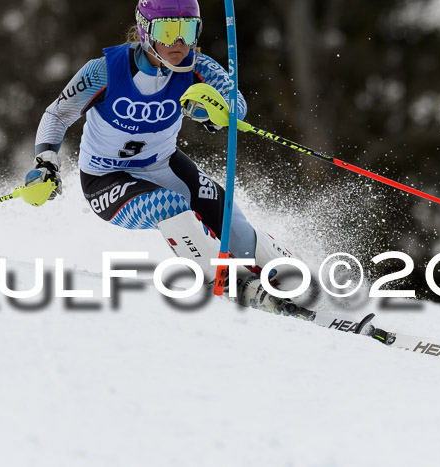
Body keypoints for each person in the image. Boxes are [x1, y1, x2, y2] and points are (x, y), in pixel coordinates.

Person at [25, 0, 315, 318]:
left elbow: (237, 104)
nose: (178, 43)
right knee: (171, 207)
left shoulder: (198, 67)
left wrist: (218, 110)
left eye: (188, 31)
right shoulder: (106, 69)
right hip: (106, 179)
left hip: (165, 165)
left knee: (230, 218)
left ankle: (294, 283)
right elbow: (57, 114)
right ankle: (232, 284)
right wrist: (46, 162)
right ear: (144, 31)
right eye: (167, 31)